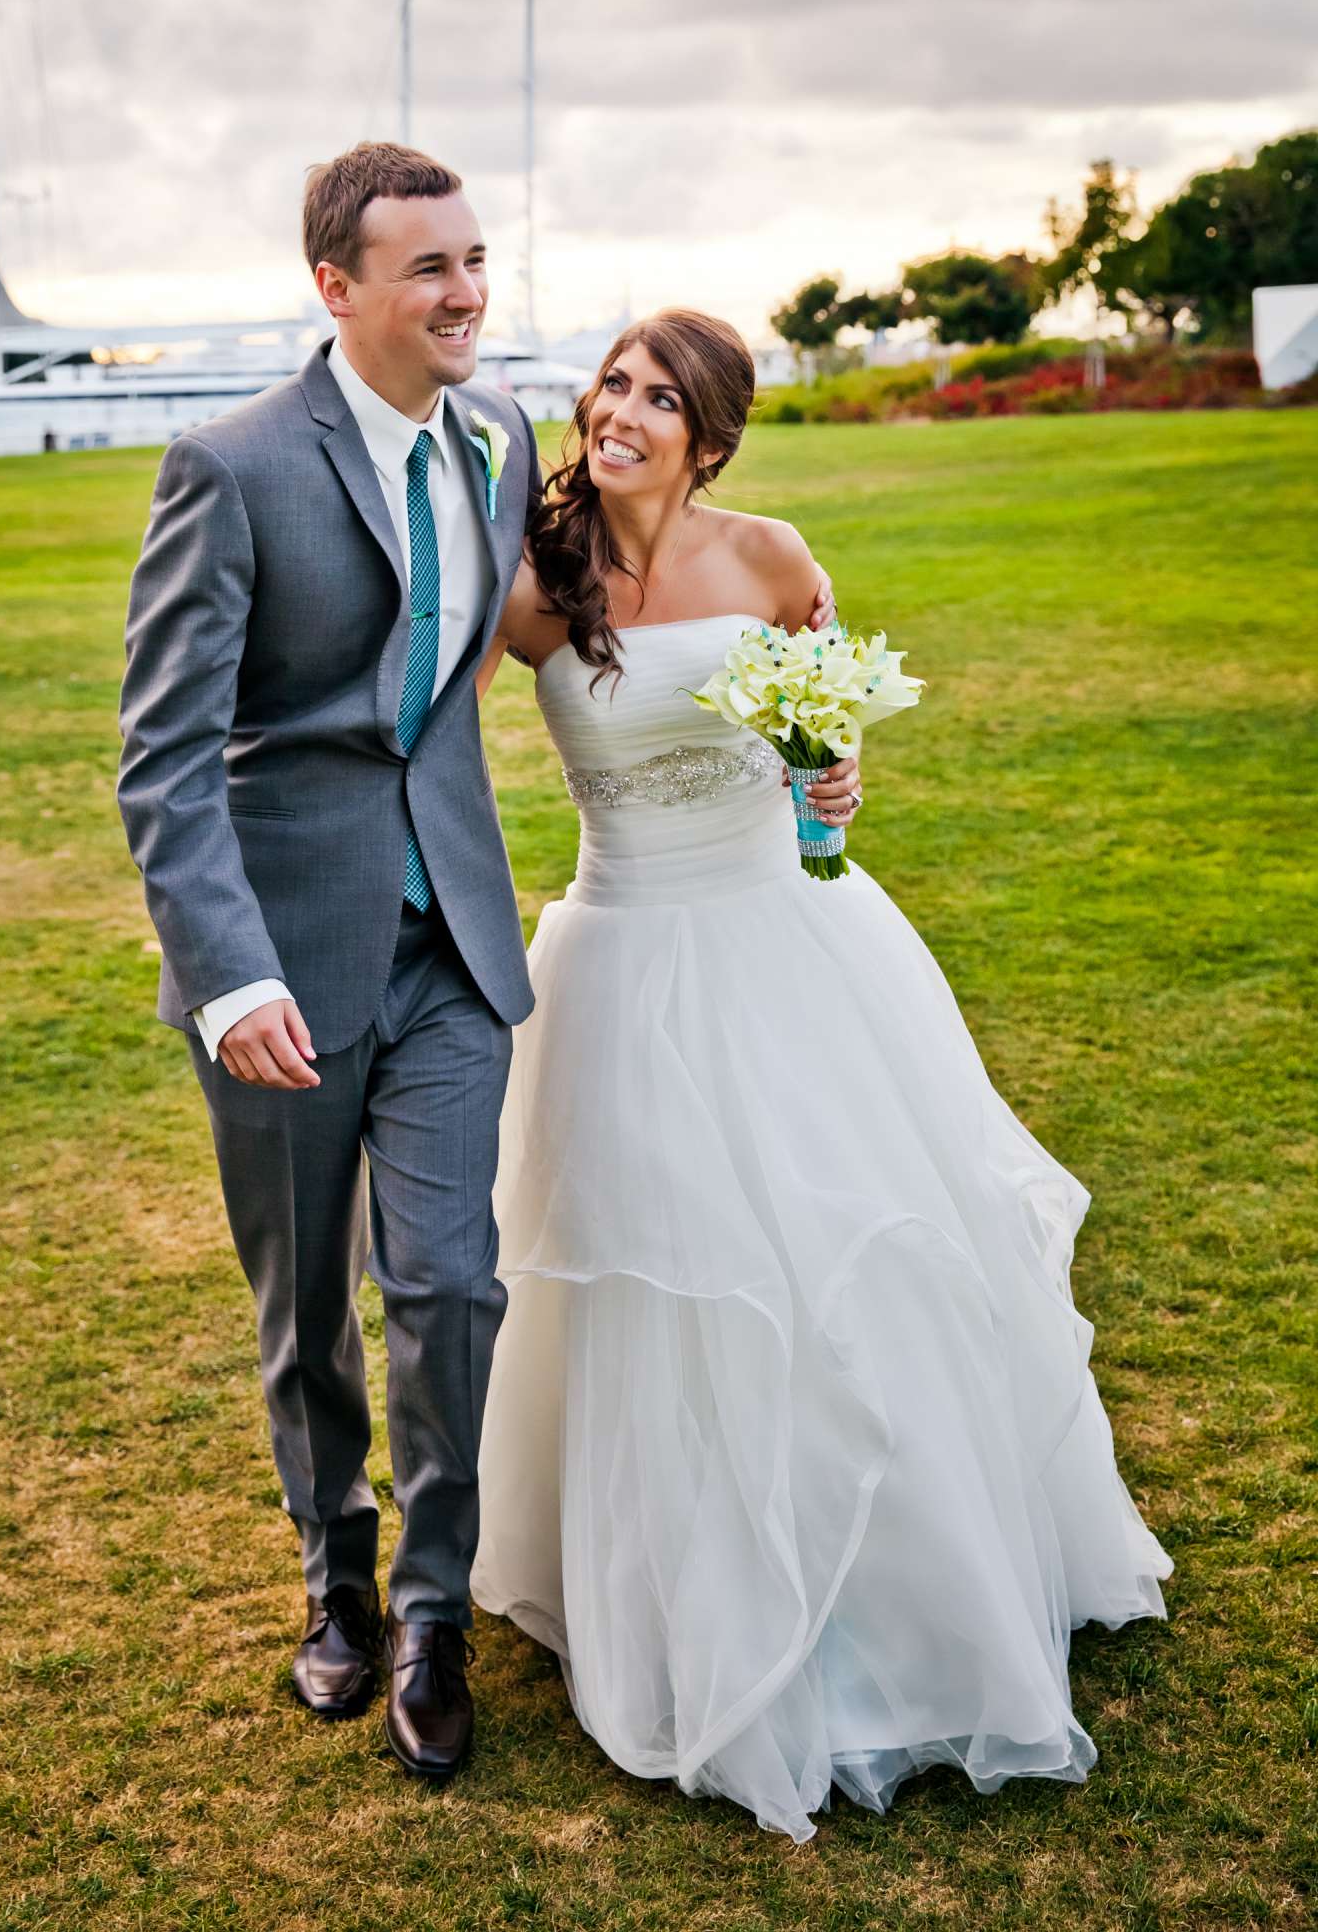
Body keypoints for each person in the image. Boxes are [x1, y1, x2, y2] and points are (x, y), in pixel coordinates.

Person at [116, 148, 854, 1782]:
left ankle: (437, 1615)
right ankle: (339, 1583)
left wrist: (798, 756)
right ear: (338, 287)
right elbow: (163, 761)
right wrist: (230, 978)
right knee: (306, 1304)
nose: (465, 294)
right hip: (285, 970)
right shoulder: (227, 468)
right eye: (428, 269)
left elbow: (629, 607)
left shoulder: (502, 440)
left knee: (452, 1281)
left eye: (475, 260)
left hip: (458, 939)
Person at [469, 307, 1171, 1842]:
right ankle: (681, 1596)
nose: (624, 413)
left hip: (791, 948)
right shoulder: (539, 580)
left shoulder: (776, 557)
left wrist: (837, 777)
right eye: (612, 388)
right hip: (618, 955)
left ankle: (902, 1593)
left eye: (659, 398)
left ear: (710, 435)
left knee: (842, 1254)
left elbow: (826, 748)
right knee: (660, 1275)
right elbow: (433, 732)